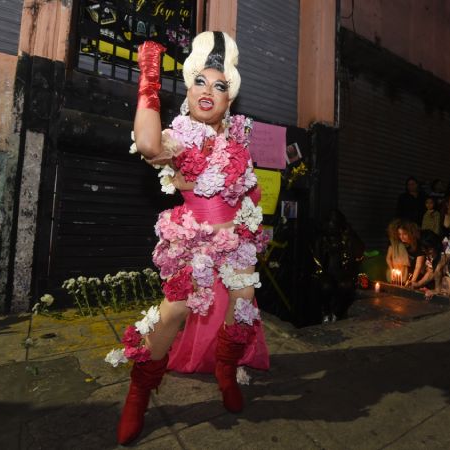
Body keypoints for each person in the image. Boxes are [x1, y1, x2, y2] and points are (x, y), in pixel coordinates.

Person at [115, 32, 270, 445]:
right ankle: (139, 394)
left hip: (237, 246)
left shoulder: (238, 137)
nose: (209, 91)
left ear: (229, 98)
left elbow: (248, 193)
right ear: (187, 86)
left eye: (220, 86)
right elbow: (147, 144)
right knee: (170, 317)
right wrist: (149, 77)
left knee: (241, 314)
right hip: (194, 245)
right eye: (200, 80)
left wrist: (250, 226)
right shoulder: (179, 136)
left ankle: (225, 371)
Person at [313, 210, 365, 323]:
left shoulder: (347, 237)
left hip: (343, 272)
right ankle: (326, 313)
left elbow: (359, 251)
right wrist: (320, 272)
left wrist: (350, 234)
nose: (331, 228)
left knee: (345, 286)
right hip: (327, 272)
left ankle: (336, 314)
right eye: (329, 225)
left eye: (333, 225)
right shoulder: (322, 239)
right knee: (325, 286)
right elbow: (317, 258)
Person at [398, 220, 425, 286]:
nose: (401, 237)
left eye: (404, 234)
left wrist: (412, 282)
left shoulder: (419, 246)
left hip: (421, 276)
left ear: (411, 233)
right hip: (411, 275)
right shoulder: (406, 245)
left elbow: (418, 267)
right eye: (399, 234)